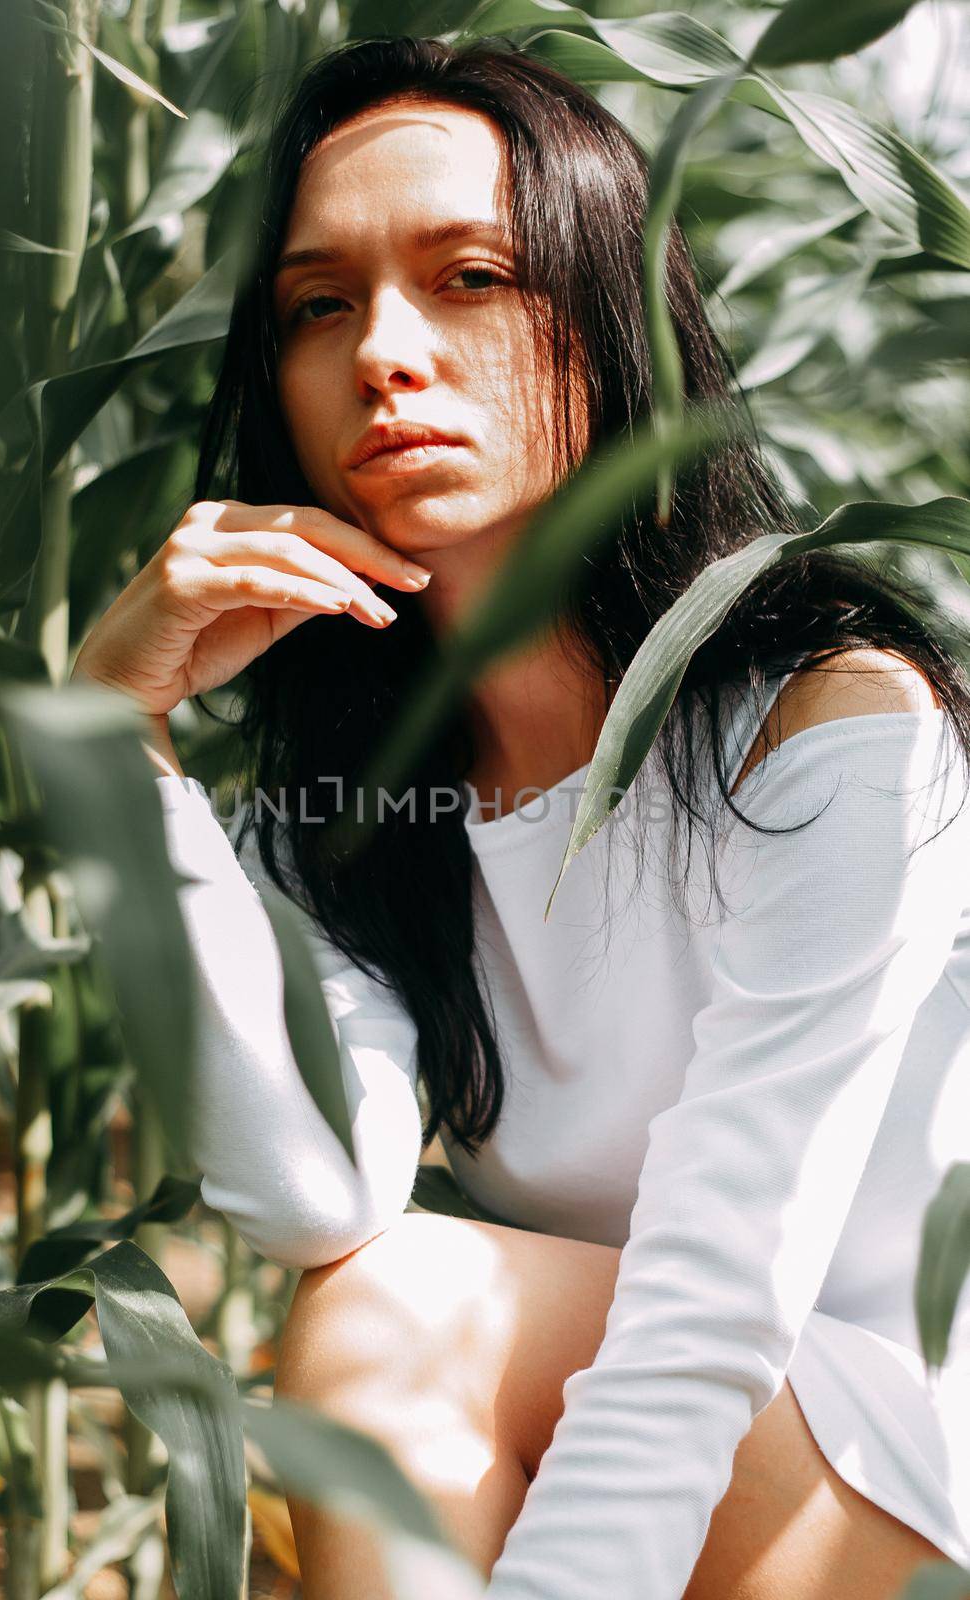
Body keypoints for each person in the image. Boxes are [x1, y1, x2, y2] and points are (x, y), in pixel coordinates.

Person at [70, 33, 970, 1600]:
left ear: (614, 327)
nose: (383, 353)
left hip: (910, 1452)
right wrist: (105, 741)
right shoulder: (352, 814)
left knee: (402, 1308)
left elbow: (714, 1305)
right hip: (665, 1440)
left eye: (472, 276)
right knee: (379, 1292)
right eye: (318, 304)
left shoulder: (836, 722)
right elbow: (308, 1195)